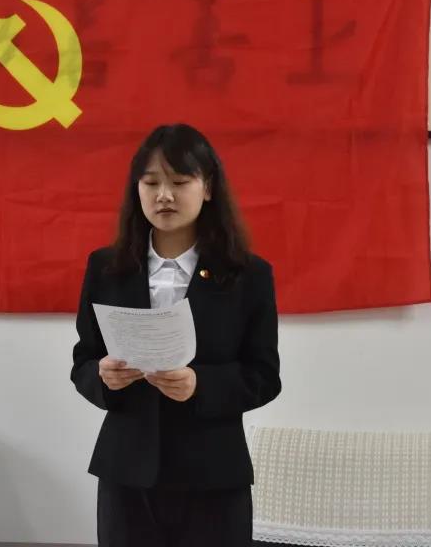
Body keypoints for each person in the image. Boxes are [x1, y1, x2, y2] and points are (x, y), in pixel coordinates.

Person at [70, 123, 281, 547]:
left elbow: (263, 377)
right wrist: (104, 378)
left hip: (214, 475)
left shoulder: (247, 275)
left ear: (208, 188)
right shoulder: (107, 268)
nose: (164, 195)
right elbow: (83, 363)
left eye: (180, 182)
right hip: (127, 473)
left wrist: (200, 384)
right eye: (151, 183)